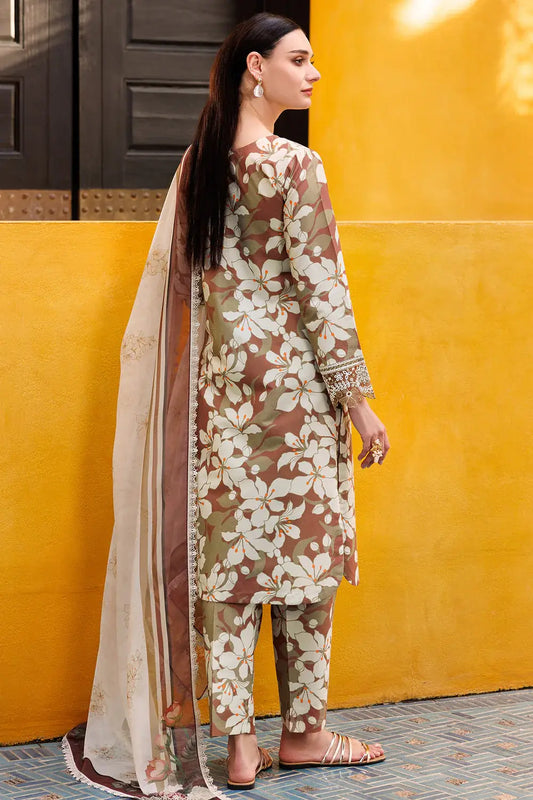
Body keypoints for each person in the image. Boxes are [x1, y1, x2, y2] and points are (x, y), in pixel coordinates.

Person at [62, 11, 390, 800]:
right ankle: (305, 734)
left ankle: (238, 747)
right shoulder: (293, 165)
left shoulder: (201, 163)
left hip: (217, 400)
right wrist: (359, 403)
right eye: (298, 60)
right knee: (304, 566)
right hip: (294, 395)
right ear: (255, 67)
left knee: (230, 571)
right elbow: (321, 294)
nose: (312, 75)